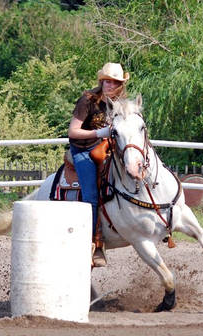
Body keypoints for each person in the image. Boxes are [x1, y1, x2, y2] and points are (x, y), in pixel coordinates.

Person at [68, 62, 129, 267]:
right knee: (91, 196)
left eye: (114, 82)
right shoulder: (88, 101)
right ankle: (94, 244)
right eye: (106, 81)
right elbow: (73, 131)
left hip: (105, 148)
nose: (109, 85)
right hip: (83, 149)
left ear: (120, 85)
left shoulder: (120, 103)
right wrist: (98, 133)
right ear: (101, 81)